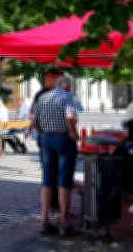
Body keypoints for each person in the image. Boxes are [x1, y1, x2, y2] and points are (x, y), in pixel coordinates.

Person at [32, 74, 80, 236]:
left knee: (47, 178)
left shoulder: (43, 97)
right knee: (64, 179)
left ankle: (44, 219)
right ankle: (63, 221)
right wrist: (73, 133)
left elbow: (33, 122)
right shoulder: (68, 97)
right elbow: (69, 116)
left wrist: (43, 133)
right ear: (68, 86)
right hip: (63, 138)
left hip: (46, 138)